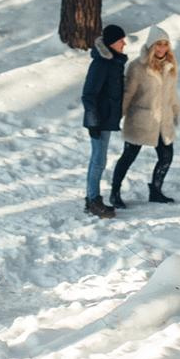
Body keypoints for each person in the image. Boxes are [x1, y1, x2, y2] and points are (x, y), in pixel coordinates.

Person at [111, 36, 180, 208]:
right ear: (151, 45)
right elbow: (128, 93)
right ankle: (115, 192)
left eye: (165, 45)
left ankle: (156, 191)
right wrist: (118, 115)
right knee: (128, 156)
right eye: (158, 44)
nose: (162, 49)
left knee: (166, 157)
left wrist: (175, 112)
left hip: (163, 120)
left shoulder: (170, 66)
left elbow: (171, 94)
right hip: (141, 120)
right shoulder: (137, 66)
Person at [78, 23, 131, 219]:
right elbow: (88, 94)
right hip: (99, 121)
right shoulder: (101, 63)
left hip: (105, 119)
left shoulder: (113, 62)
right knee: (98, 161)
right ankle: (93, 201)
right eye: (120, 40)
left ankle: (91, 199)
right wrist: (93, 122)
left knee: (99, 160)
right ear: (110, 43)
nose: (124, 43)